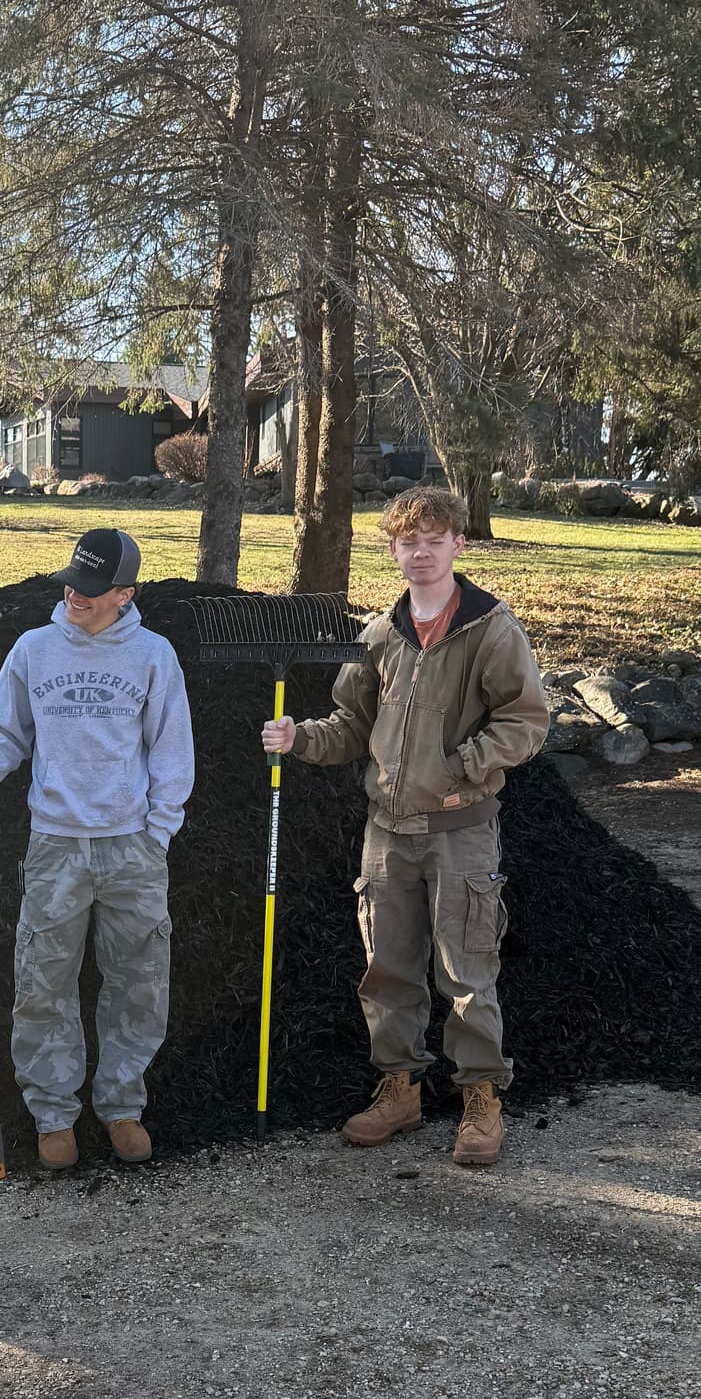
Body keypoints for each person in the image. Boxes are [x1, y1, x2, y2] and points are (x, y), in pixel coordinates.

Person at [263, 489, 548, 1166]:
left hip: (459, 828)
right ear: (392, 549)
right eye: (406, 541)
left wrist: (461, 766)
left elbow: (527, 721)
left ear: (458, 545)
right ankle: (399, 1088)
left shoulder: (491, 630)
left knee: (466, 969)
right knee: (386, 970)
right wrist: (297, 738)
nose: (419, 552)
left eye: (433, 540)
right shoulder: (380, 634)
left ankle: (481, 1100)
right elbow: (351, 727)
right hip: (386, 831)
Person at [0, 528, 194, 1169]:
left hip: (131, 848)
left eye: (91, 588)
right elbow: (4, 733)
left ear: (125, 594)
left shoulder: (154, 657)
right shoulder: (34, 650)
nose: (75, 595)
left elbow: (171, 752)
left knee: (139, 981)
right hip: (54, 845)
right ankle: (54, 1114)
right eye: (72, 582)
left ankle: (122, 1106)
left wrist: (157, 832)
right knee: (42, 982)